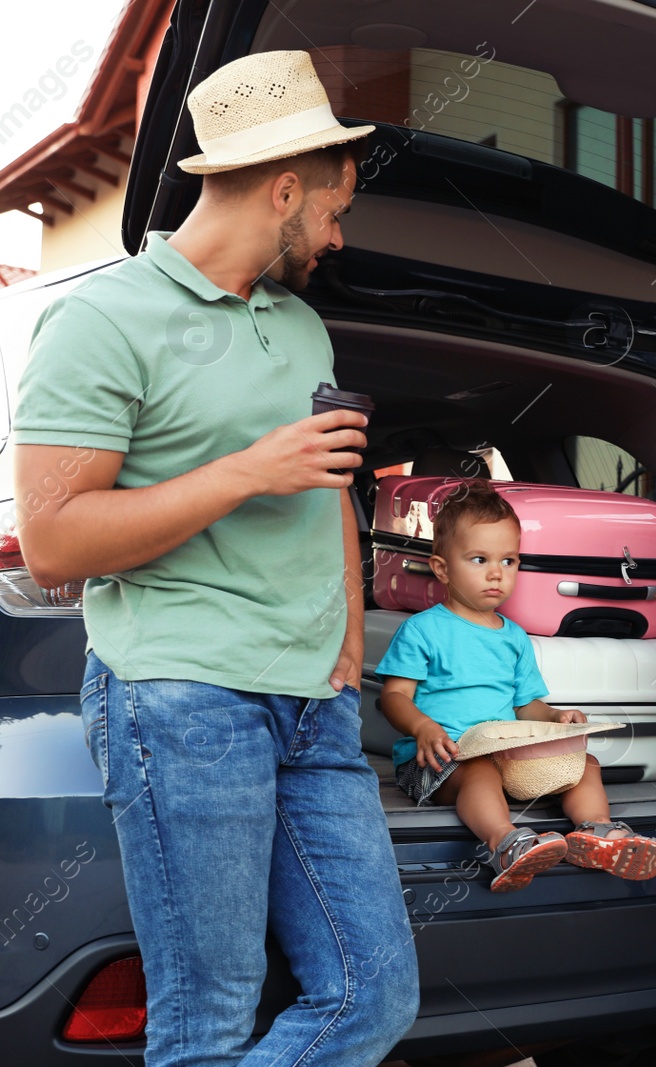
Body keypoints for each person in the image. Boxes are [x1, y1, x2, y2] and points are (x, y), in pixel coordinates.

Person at [13, 51, 417, 1067]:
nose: (336, 234)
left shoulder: (300, 326)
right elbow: (58, 542)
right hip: (184, 700)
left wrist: (346, 646)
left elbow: (327, 483)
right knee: (207, 1021)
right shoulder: (103, 320)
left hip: (314, 708)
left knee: (374, 994)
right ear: (284, 187)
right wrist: (245, 471)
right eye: (333, 209)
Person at [375, 480, 656, 890]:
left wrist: (554, 717)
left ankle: (598, 834)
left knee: (582, 764)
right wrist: (422, 728)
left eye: (509, 561)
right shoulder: (422, 631)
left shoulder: (514, 636)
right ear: (441, 568)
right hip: (439, 762)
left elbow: (526, 704)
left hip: (506, 755)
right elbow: (392, 698)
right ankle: (505, 843)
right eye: (479, 559)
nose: (496, 573)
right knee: (477, 770)